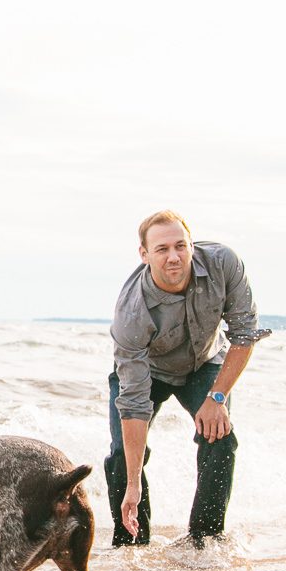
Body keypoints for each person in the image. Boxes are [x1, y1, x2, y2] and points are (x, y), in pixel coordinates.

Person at [105, 211, 270, 547]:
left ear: (191, 245)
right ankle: (132, 547)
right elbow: (135, 403)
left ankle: (204, 540)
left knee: (220, 436)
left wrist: (217, 399)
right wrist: (133, 482)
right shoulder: (132, 312)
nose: (173, 256)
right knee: (124, 457)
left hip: (205, 364)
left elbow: (244, 334)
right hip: (148, 372)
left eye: (180, 246)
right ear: (145, 254)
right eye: (162, 249)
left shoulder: (224, 263)